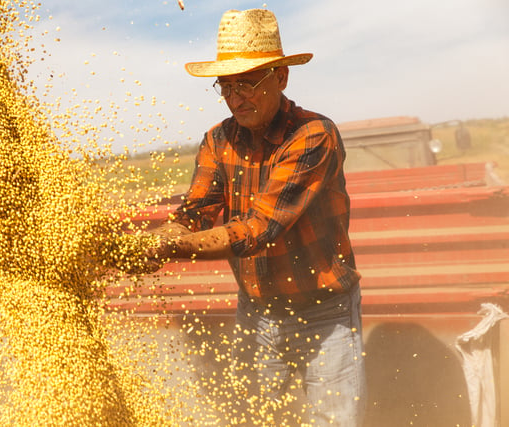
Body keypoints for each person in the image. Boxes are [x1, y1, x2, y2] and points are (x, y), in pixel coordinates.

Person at [145, 8, 366, 426]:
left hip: (324, 312)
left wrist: (174, 245)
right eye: (226, 86)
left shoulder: (313, 135)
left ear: (281, 78)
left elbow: (263, 228)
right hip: (258, 311)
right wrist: (163, 235)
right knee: (252, 419)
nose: (235, 98)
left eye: (246, 83)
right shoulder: (218, 138)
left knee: (333, 420)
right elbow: (197, 209)